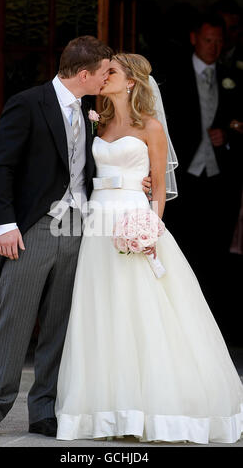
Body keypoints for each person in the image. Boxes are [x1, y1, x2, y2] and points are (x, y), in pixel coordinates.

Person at [55, 53, 243, 444]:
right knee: (101, 311)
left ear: (131, 83)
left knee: (140, 309)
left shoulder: (151, 127)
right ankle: (107, 412)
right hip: (97, 225)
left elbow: (159, 187)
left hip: (133, 221)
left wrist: (149, 227)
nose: (103, 77)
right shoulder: (97, 121)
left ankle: (151, 408)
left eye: (112, 72)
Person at [0, 36, 152, 439]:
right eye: (105, 71)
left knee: (60, 324)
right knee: (13, 320)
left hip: (80, 230)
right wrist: (4, 224)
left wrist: (136, 181)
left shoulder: (95, 112)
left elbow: (99, 165)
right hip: (33, 228)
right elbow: (0, 166)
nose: (109, 77)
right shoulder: (28, 103)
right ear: (85, 74)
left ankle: (45, 410)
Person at [160, 12, 242, 324]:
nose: (214, 46)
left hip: (219, 180)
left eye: (219, 41)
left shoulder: (233, 76)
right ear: (195, 38)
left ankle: (213, 322)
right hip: (183, 178)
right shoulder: (172, 74)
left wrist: (229, 136)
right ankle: (179, 320)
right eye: (208, 40)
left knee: (216, 253)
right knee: (182, 249)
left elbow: (238, 122)